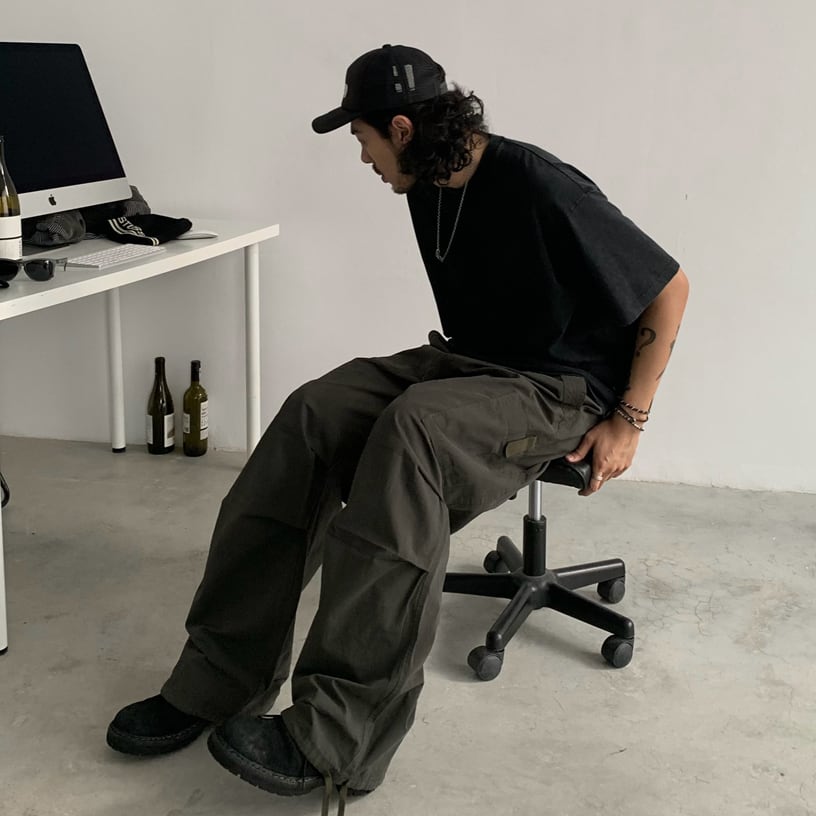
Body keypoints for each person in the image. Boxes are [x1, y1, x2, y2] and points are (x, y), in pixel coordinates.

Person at [106, 44, 689, 813]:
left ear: (404, 130)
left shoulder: (536, 181)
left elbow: (670, 289)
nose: (364, 158)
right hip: (470, 365)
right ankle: (219, 679)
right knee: (314, 411)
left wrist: (630, 421)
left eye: (364, 139)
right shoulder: (426, 183)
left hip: (560, 390)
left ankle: (338, 739)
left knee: (413, 436)